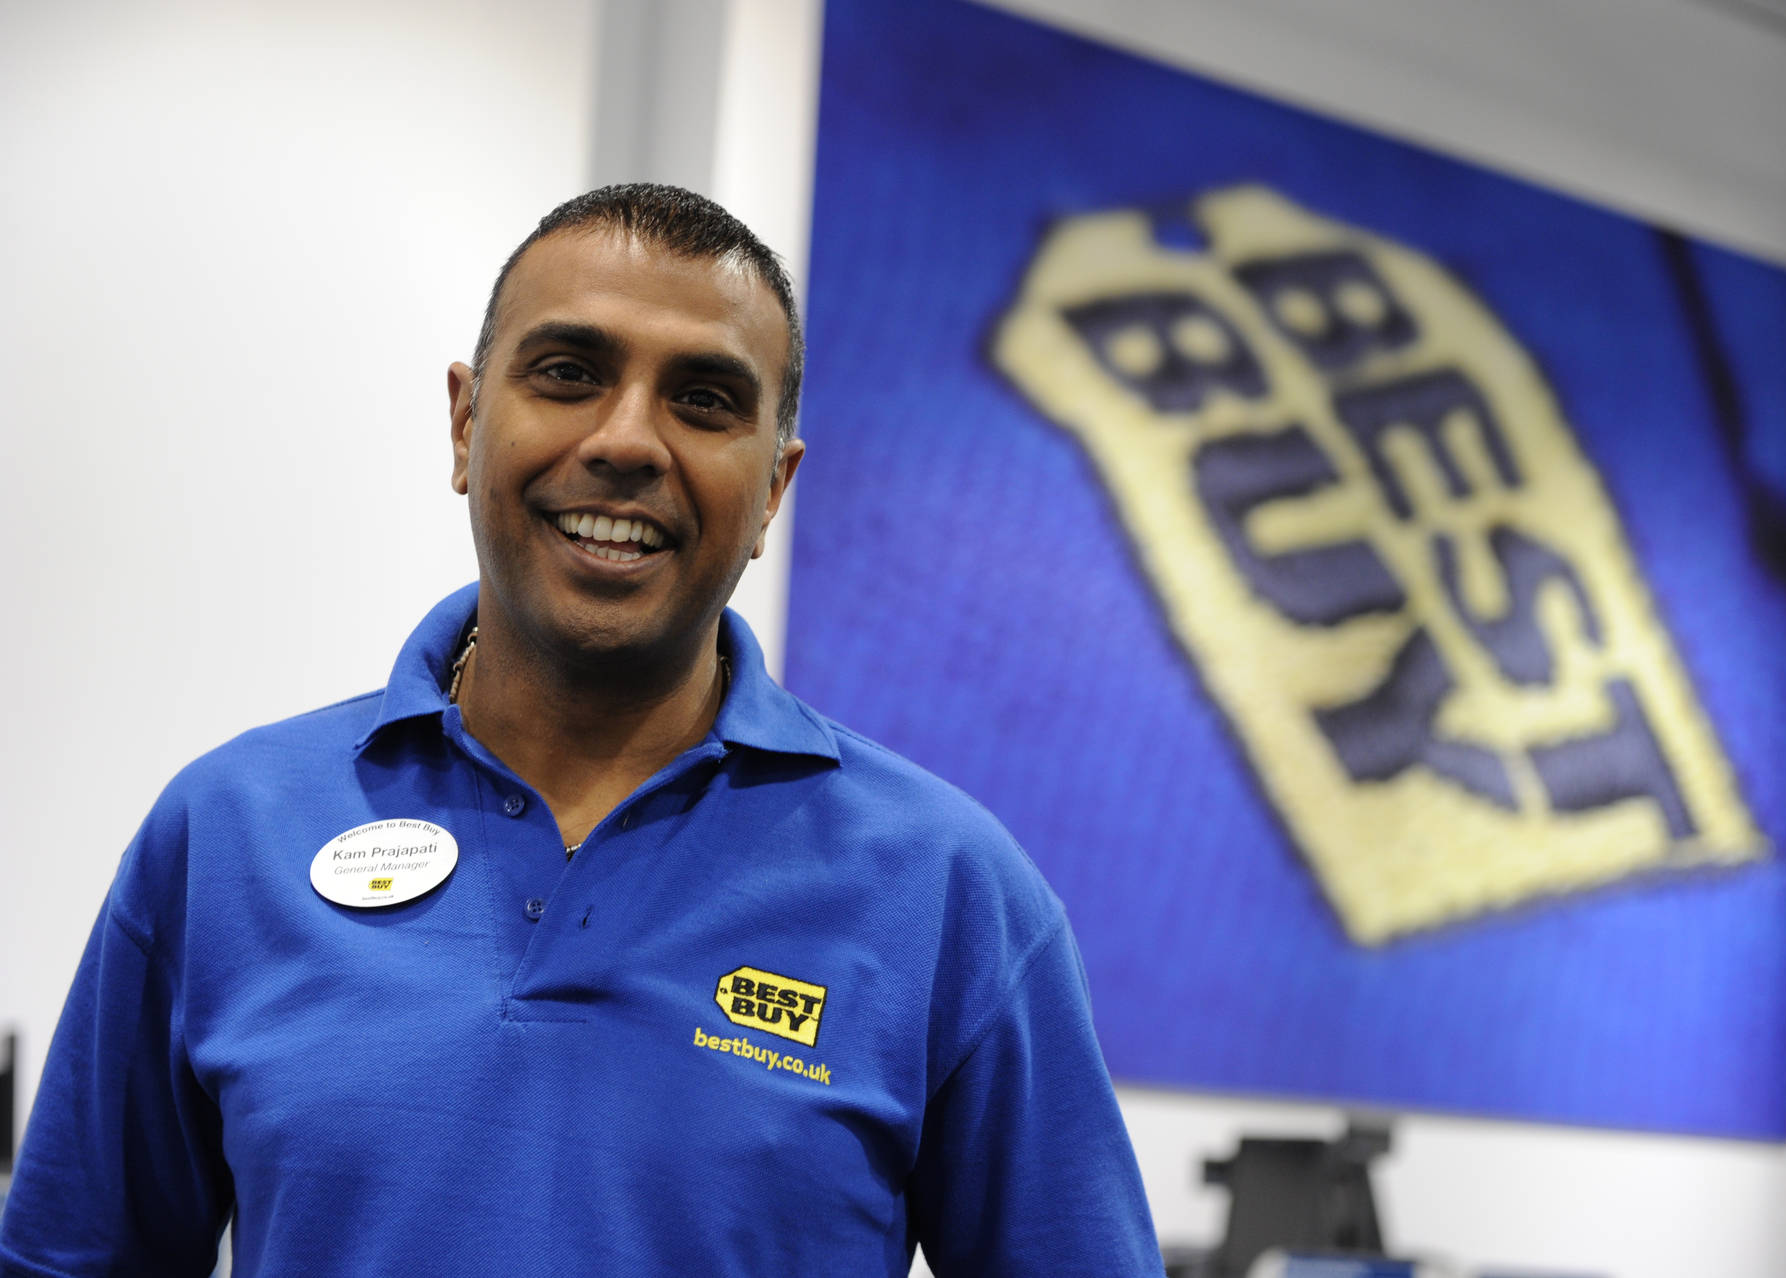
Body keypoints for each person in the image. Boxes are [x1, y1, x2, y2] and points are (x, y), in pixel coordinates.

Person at [0, 184, 1162, 1276]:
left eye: (704, 400)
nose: (626, 441)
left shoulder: (948, 892)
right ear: (465, 423)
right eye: (567, 372)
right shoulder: (227, 834)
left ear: (772, 489)